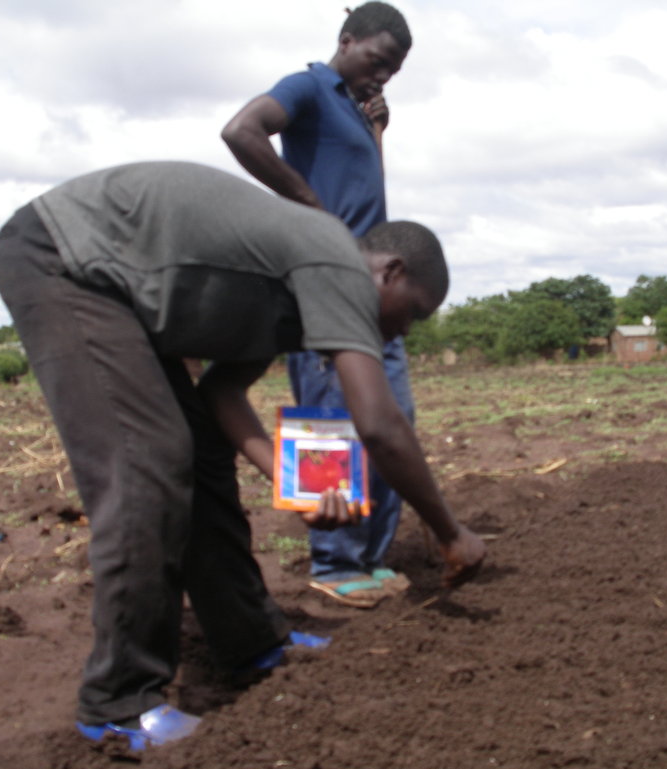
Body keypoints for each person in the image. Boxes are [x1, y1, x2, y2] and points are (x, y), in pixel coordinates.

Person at [0, 161, 486, 750]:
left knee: (198, 452)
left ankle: (252, 642)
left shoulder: (297, 296)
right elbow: (380, 424)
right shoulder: (335, 260)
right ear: (389, 272)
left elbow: (222, 393)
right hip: (65, 257)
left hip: (119, 287)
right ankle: (118, 704)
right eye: (415, 311)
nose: (405, 331)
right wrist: (450, 531)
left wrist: (291, 480)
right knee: (146, 462)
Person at [222, 1, 416, 608]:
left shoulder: (360, 114)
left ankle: (371, 555)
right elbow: (241, 130)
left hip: (371, 292)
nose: (382, 75)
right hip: (324, 285)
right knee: (335, 424)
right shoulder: (308, 86)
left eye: (393, 70)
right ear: (347, 39)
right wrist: (313, 213)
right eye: (376, 61)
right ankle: (334, 563)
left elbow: (366, 194)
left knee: (393, 422)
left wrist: (376, 128)